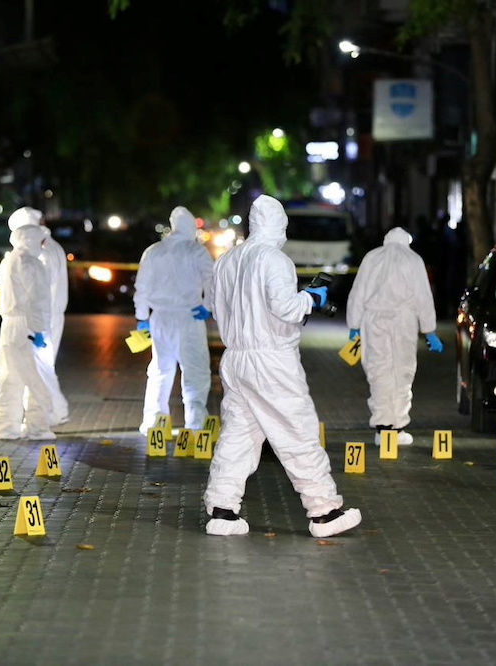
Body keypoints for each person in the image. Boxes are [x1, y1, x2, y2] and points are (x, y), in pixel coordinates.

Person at [203, 194, 362, 538]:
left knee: (239, 436)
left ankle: (222, 510)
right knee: (297, 432)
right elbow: (287, 309)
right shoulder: (274, 260)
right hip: (271, 361)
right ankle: (324, 511)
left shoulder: (227, 260)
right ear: (279, 225)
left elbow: (215, 308)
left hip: (236, 358)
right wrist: (312, 298)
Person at [346, 226, 443, 447]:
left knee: (378, 370)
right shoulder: (413, 259)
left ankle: (383, 428)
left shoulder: (372, 257)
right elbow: (423, 297)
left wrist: (354, 325)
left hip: (374, 320)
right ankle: (397, 427)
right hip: (403, 321)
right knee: (402, 371)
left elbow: (358, 292)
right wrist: (429, 331)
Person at [133, 206, 214, 433]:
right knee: (195, 371)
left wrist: (142, 317)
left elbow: (142, 287)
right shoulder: (196, 251)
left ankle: (154, 422)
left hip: (160, 318)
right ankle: (195, 424)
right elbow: (212, 280)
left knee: (160, 370)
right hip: (189, 316)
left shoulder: (153, 251)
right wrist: (208, 306)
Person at [7, 207, 70, 426]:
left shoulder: (40, 253)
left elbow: (37, 291)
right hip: (50, 315)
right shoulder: (54, 247)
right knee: (43, 366)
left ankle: (50, 413)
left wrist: (36, 325)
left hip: (41, 318)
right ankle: (52, 412)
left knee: (38, 368)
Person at [0, 224, 55, 440]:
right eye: (40, 241)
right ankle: (37, 428)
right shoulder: (31, 263)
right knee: (36, 378)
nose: (43, 245)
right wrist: (39, 330)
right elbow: (35, 300)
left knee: (10, 379)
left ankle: (6, 428)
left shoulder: (8, 260)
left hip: (9, 325)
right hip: (27, 327)